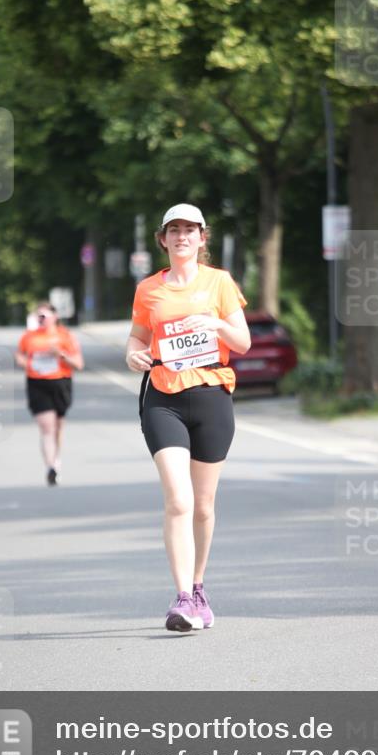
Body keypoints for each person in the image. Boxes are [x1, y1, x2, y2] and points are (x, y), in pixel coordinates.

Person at [126, 203, 251, 632]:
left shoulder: (219, 283)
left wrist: (214, 326)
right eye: (173, 230)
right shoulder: (148, 290)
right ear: (162, 239)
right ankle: (181, 599)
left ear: (202, 238)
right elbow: (137, 339)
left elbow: (244, 341)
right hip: (163, 399)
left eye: (190, 230)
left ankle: (199, 588)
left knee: (202, 505)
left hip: (212, 396)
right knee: (177, 500)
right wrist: (133, 356)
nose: (182, 237)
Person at [15, 301, 84, 485]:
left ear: (55, 317)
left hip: (60, 383)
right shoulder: (29, 337)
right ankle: (50, 467)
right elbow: (20, 356)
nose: (41, 319)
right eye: (38, 316)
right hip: (37, 383)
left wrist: (60, 355)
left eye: (44, 316)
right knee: (47, 427)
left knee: (58, 427)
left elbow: (78, 364)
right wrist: (25, 363)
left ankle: (56, 458)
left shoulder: (65, 336)